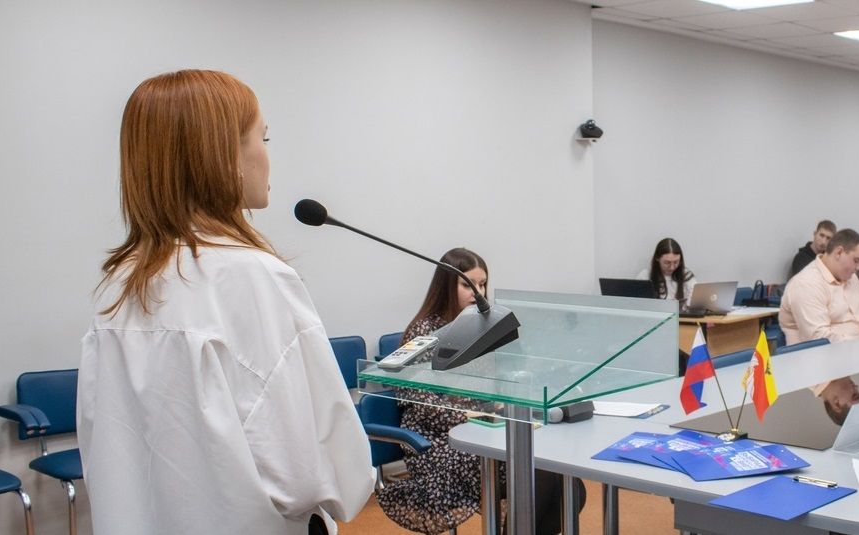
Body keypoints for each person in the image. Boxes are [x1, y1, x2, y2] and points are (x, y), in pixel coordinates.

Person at [78, 70, 374, 535]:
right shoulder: (253, 277)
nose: (268, 157)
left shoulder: (120, 284)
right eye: (263, 138)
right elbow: (318, 474)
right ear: (225, 156)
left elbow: (110, 449)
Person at [380, 248, 584, 534]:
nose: (478, 292)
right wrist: (476, 416)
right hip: (440, 446)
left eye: (483, 283)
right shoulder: (424, 330)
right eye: (468, 284)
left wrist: (499, 404)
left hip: (485, 433)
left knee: (568, 484)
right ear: (446, 286)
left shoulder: (482, 326)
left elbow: (499, 382)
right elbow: (420, 402)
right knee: (541, 474)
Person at [779, 229, 859, 343]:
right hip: (826, 352)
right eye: (856, 261)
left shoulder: (851, 278)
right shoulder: (806, 284)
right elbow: (819, 338)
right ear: (839, 252)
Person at [639, 238, 696, 308]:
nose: (672, 267)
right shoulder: (645, 276)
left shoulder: (686, 275)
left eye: (676, 262)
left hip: (681, 314)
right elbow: (639, 304)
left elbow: (695, 300)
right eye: (667, 262)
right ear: (657, 258)